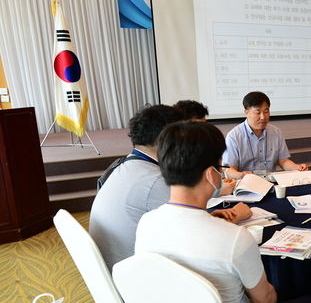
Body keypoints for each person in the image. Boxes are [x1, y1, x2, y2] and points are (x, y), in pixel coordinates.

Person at [136, 122, 311, 303]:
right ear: (210, 174)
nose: (223, 174)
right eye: (221, 168)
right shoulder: (235, 238)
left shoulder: (146, 223)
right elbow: (266, 301)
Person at [89, 105, 245, 270]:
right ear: (165, 139)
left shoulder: (129, 165)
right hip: (136, 271)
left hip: (117, 265)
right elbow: (197, 235)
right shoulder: (155, 180)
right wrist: (236, 214)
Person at [222, 91, 307, 178]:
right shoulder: (234, 137)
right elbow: (229, 170)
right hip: (245, 182)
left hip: (270, 181)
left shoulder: (276, 132)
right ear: (246, 112)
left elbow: (283, 161)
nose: (263, 117)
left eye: (266, 111)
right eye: (258, 112)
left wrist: (297, 167)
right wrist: (242, 175)